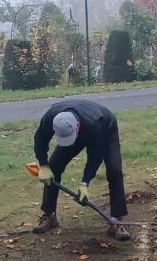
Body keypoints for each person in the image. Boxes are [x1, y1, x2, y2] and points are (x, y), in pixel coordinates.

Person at [32, 99, 130, 241]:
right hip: (80, 128)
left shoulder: (95, 124)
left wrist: (84, 183)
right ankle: (49, 214)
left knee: (114, 170)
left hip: (106, 130)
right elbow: (40, 140)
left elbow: (95, 156)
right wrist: (43, 166)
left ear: (77, 126)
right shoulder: (51, 117)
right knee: (53, 167)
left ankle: (116, 220)